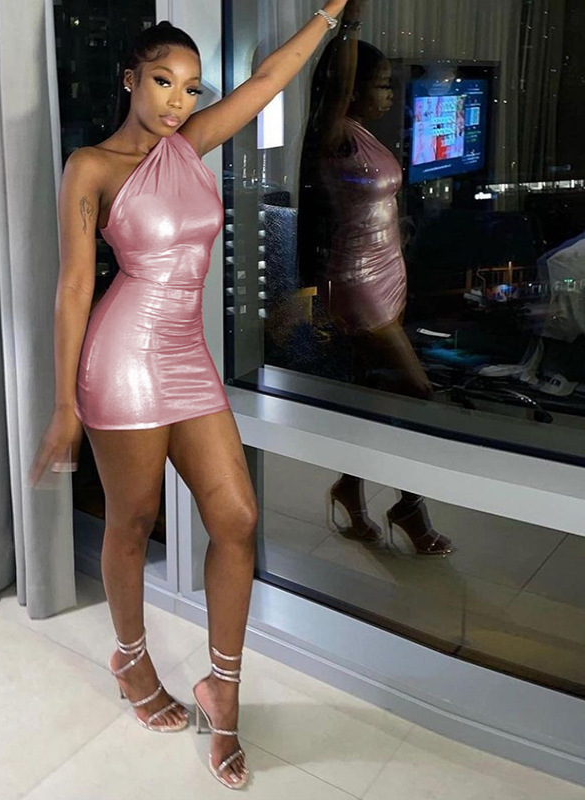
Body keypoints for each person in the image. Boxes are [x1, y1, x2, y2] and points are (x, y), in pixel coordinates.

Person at [31, 3, 349, 790]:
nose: (179, 101)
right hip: (123, 359)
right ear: (130, 80)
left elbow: (270, 78)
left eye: (192, 88)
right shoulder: (91, 167)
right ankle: (132, 660)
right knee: (133, 519)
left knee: (236, 518)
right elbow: (73, 287)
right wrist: (65, 404)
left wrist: (327, 14)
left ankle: (223, 689)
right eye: (163, 82)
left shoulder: (190, 144)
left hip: (187, 355)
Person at [297, 0, 454, 557]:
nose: (390, 94)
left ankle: (349, 487)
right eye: (382, 84)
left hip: (389, 272)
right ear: (353, 88)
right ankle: (409, 506)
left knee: (371, 394)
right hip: (358, 282)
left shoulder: (363, 134)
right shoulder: (333, 131)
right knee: (418, 395)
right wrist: (351, 19)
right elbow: (335, 85)